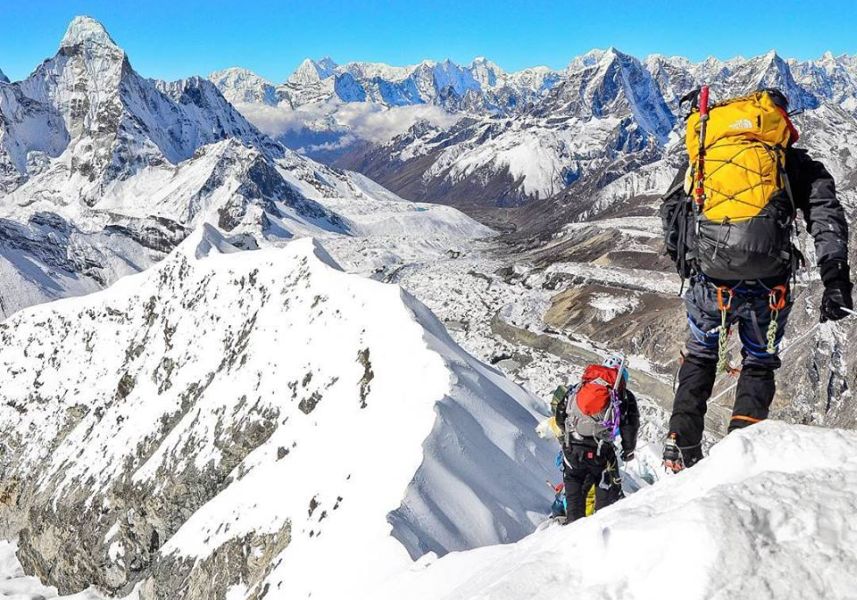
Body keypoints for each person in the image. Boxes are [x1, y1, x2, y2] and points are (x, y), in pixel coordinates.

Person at [660, 87, 853, 472]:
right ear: (781, 121)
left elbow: (672, 214)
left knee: (700, 355)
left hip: (709, 282)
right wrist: (835, 278)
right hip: (770, 285)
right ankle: (740, 452)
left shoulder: (703, 155)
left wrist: (691, 267)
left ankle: (680, 445)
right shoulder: (791, 162)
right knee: (759, 360)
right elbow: (825, 215)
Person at [554, 354, 639, 523]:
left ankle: (570, 533)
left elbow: (560, 415)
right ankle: (601, 535)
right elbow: (629, 425)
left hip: (572, 450)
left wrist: (570, 435)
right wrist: (628, 450)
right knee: (607, 499)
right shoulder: (623, 395)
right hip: (600, 452)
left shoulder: (578, 387)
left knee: (574, 500)